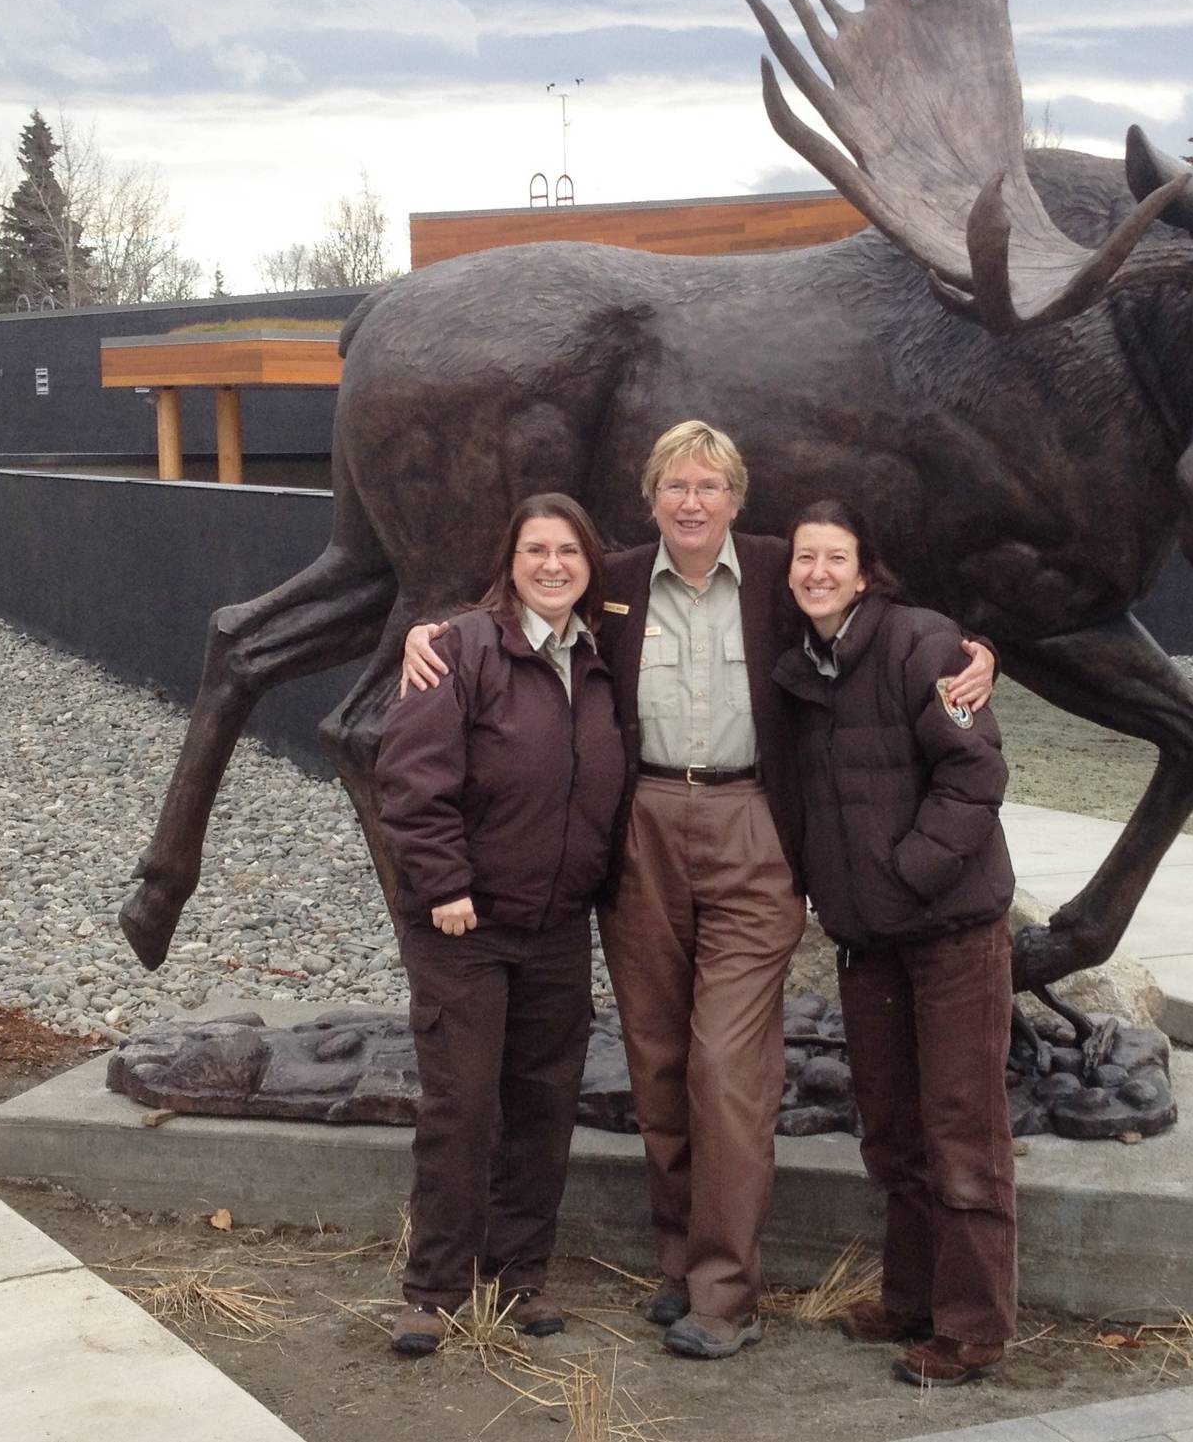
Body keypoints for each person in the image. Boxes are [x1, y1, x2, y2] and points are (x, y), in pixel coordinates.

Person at [401, 422, 995, 1359]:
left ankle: (726, 1289)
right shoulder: (617, 581)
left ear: (735, 499)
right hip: (640, 833)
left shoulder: (778, 572)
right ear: (650, 498)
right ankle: (677, 1263)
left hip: (751, 825)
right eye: (674, 484)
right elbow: (522, 602)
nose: (691, 502)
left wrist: (975, 653)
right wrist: (425, 633)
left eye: (709, 486)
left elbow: (878, 615)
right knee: (659, 1056)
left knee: (728, 1063)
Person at [770, 500, 1018, 1389]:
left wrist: (909, 871)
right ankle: (911, 1296)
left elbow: (976, 771)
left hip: (949, 929)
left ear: (865, 571)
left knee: (963, 1126)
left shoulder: (922, 644)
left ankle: (974, 1324)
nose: (819, 572)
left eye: (836, 558)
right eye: (805, 558)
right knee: (894, 1131)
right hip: (867, 941)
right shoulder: (801, 666)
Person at [374, 492, 627, 1357]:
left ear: (591, 565)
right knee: (464, 1102)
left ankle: (519, 1276)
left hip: (557, 924)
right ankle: (435, 1287)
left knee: (545, 1101)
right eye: (535, 550)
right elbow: (409, 778)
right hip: (464, 927)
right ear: (509, 562)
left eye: (568, 551)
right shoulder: (459, 649)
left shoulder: (597, 658)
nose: (552, 564)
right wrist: (445, 882)